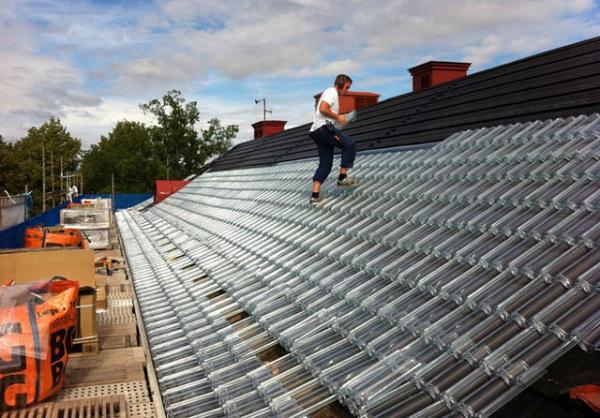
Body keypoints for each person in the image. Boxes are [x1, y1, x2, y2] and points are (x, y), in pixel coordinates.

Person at [309, 74, 358, 204]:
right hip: (323, 129)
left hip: (317, 131)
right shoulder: (332, 92)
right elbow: (323, 109)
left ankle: (315, 196)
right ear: (340, 84)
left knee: (325, 163)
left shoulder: (331, 94)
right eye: (347, 87)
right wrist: (338, 117)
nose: (347, 91)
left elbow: (327, 115)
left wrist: (342, 119)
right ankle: (342, 178)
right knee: (349, 145)